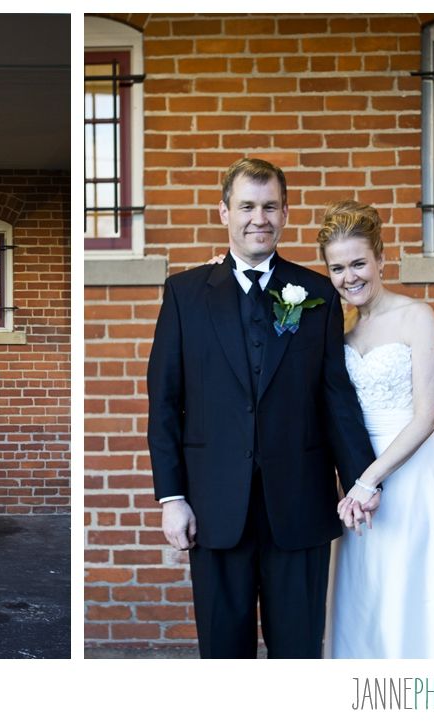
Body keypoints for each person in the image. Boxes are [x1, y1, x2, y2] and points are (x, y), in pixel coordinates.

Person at [147, 157, 375, 658]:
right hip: (213, 507)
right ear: (223, 212)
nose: (259, 218)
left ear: (286, 213)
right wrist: (172, 497)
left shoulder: (315, 292)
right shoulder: (185, 295)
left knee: (297, 650)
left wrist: (363, 480)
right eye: (247, 206)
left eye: (270, 206)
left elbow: (335, 397)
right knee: (224, 653)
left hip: (298, 503)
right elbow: (164, 403)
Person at [318, 200, 434, 658]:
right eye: (338, 268)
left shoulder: (416, 316)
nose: (350, 277)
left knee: (409, 578)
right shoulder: (337, 330)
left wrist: (369, 479)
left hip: (408, 467)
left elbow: (427, 414)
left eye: (359, 262)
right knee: (365, 585)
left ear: (381, 258)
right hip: (357, 469)